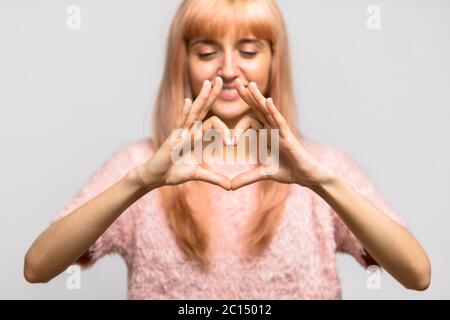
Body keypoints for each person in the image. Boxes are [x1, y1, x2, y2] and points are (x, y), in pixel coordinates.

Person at [24, 0, 430, 299]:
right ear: (182, 61)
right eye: (206, 51)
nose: (230, 70)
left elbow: (417, 274)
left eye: (250, 51)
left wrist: (321, 181)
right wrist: (142, 180)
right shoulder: (141, 165)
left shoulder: (321, 166)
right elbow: (37, 267)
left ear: (274, 60)